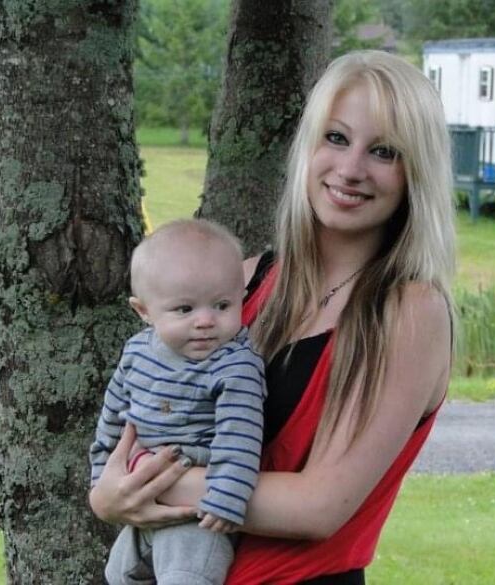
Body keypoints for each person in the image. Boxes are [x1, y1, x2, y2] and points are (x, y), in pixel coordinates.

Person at [90, 50, 455, 584]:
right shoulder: (241, 282)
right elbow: (144, 412)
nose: (351, 169)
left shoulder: (409, 312)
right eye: (335, 138)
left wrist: (142, 480)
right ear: (308, 146)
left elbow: (318, 506)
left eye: (384, 151)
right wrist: (106, 498)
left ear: (414, 173)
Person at [89, 219, 267, 585]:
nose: (205, 321)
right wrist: (102, 479)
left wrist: (226, 499)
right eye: (185, 310)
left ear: (241, 297)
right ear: (144, 312)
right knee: (117, 575)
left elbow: (241, 438)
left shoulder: (235, 365)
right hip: (142, 506)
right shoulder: (138, 352)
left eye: (221, 305)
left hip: (199, 516)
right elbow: (113, 419)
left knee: (187, 576)